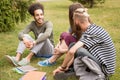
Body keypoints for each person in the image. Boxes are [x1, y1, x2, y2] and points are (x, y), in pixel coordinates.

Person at [53, 8, 116, 80]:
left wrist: (62, 67)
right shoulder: (91, 28)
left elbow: (72, 51)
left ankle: (100, 77)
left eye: (74, 21)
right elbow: (73, 50)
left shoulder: (91, 32)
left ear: (76, 21)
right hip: (99, 62)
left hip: (105, 69)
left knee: (79, 50)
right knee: (73, 45)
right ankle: (72, 71)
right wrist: (67, 66)